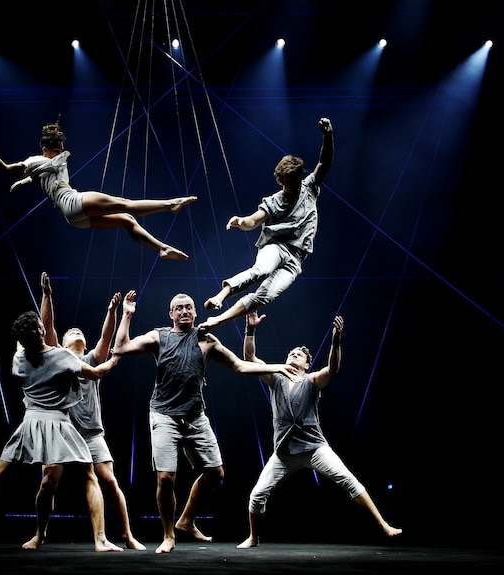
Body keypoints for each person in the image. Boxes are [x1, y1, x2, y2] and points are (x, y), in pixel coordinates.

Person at [111, 290, 301, 553]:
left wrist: (276, 366)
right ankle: (169, 536)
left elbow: (239, 366)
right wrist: (127, 315)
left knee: (215, 473)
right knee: (166, 478)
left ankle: (186, 520)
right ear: (171, 314)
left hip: (195, 416)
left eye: (189, 307)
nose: (185, 311)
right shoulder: (160, 336)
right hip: (164, 414)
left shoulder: (207, 340)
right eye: (179, 308)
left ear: (196, 312)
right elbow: (119, 348)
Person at [0, 310, 124, 552]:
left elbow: (24, 340)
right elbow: (96, 373)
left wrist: (34, 319)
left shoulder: (19, 358)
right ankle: (100, 539)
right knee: (88, 475)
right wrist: (115, 359)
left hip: (29, 424)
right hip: (58, 424)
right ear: (41, 332)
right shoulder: (61, 356)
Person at [235, 311, 402, 549]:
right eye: (291, 352)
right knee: (256, 495)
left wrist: (336, 339)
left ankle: (383, 524)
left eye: (300, 354)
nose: (294, 354)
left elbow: (332, 368)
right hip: (283, 454)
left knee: (347, 479)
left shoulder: (312, 380)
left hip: (315, 449)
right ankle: (254, 537)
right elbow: (249, 357)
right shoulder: (275, 378)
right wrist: (250, 329)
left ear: (307, 363)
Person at [0, 120, 196, 260]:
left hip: (73, 218)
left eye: (61, 149)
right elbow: (7, 168)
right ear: (44, 150)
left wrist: (24, 182)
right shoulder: (36, 160)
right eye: (56, 150)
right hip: (72, 200)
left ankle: (161, 248)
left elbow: (39, 175)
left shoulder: (49, 163)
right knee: (126, 203)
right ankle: (170, 204)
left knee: (127, 219)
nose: (60, 153)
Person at [38, 271, 146, 550]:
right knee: (48, 483)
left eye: (80, 333)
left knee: (109, 480)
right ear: (61, 344)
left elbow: (106, 340)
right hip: (61, 432)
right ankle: (40, 534)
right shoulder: (56, 358)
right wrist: (47, 296)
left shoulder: (89, 359)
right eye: (71, 332)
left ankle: (126, 535)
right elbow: (47, 326)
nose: (76, 332)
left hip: (90, 433)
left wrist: (112, 311)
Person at [198, 117, 334, 332]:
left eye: (293, 182)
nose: (290, 187)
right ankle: (221, 294)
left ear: (300, 177)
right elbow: (254, 220)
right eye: (286, 183)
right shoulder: (275, 201)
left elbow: (324, 163)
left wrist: (328, 135)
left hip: (296, 259)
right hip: (276, 247)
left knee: (266, 296)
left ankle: (218, 320)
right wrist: (240, 221)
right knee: (261, 271)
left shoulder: (310, 188)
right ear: (281, 181)